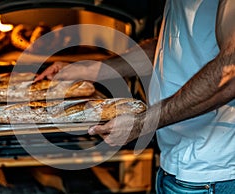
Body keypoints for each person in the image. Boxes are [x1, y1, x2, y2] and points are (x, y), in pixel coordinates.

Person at [34, 0, 235, 193]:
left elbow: (230, 71)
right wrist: (92, 70)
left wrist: (144, 123)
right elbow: (167, 46)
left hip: (213, 173)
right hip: (177, 163)